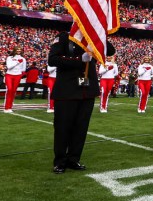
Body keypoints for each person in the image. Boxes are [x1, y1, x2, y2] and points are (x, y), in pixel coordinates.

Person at [47, 32, 114, 173]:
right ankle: (60, 161)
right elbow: (52, 60)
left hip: (87, 90)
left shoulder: (93, 35)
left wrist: (99, 33)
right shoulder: (65, 37)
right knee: (62, 128)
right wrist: (79, 60)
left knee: (81, 128)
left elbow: (111, 50)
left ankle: (74, 159)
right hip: (67, 90)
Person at [4, 46, 26, 112]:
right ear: (14, 50)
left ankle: (10, 107)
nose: (19, 51)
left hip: (18, 75)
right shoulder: (10, 58)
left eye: (20, 50)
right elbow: (9, 67)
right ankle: (6, 107)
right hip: (9, 75)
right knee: (9, 89)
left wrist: (19, 72)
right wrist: (17, 62)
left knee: (13, 91)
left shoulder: (23, 59)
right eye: (17, 49)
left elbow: (23, 69)